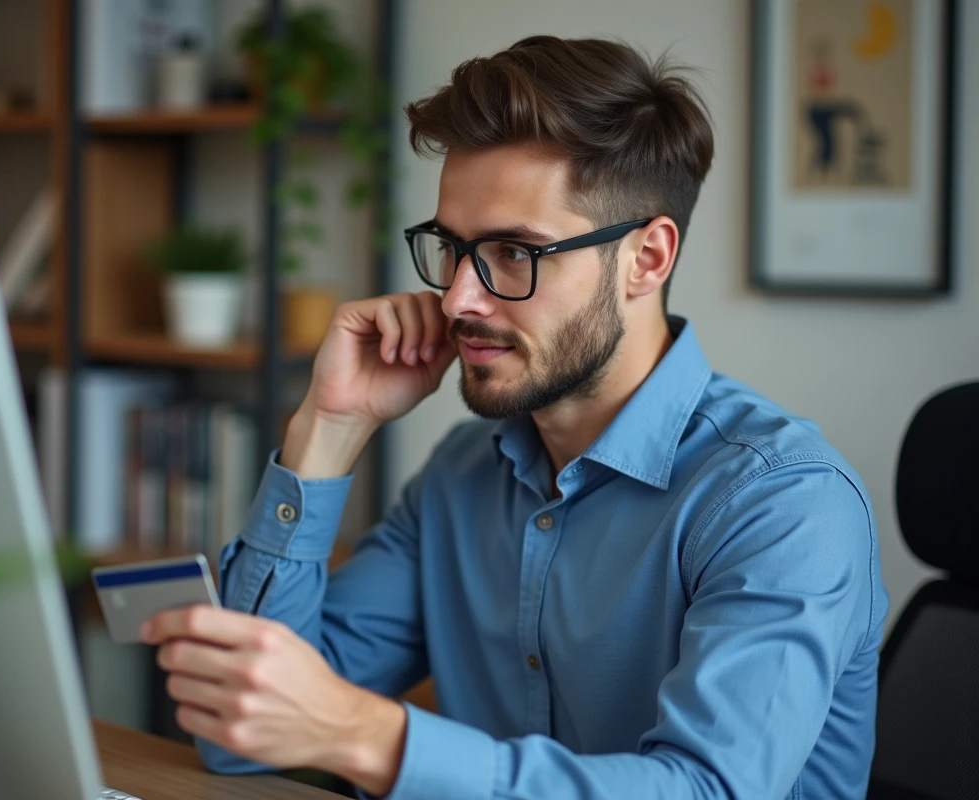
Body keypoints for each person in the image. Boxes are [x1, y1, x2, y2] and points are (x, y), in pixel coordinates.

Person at [141, 36, 888, 799]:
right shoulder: (461, 478)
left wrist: (367, 737)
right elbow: (237, 737)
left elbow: (707, 789)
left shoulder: (784, 501)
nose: (459, 298)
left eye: (512, 252)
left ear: (647, 258)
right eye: (452, 249)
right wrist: (330, 428)